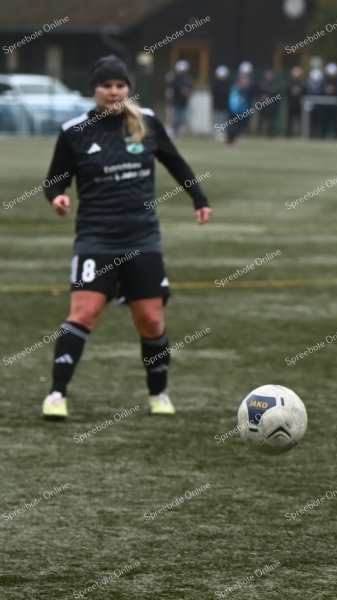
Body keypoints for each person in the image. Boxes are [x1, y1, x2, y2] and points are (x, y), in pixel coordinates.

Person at [41, 55, 212, 419]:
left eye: (120, 85)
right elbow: (55, 179)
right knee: (84, 312)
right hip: (96, 238)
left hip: (142, 238)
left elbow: (175, 161)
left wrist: (199, 198)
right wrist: (57, 197)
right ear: (94, 90)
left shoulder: (145, 122)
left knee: (151, 321)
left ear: (128, 88)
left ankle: (158, 394)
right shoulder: (75, 131)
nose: (114, 92)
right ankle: (56, 394)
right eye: (106, 86)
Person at [226, 71, 252, 146]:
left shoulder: (245, 90)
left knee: (240, 127)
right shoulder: (235, 89)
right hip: (235, 111)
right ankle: (230, 141)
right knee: (233, 127)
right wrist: (235, 110)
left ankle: (232, 140)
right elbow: (233, 101)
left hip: (242, 111)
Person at [169, 60, 193, 136]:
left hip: (184, 102)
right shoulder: (175, 79)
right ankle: (174, 131)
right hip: (176, 101)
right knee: (177, 118)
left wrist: (188, 91)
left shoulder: (188, 78)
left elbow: (190, 88)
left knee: (184, 118)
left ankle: (177, 130)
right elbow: (174, 90)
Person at [257, 69, 280, 138]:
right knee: (261, 120)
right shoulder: (261, 85)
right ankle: (258, 133)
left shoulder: (275, 85)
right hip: (262, 106)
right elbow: (258, 94)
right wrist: (261, 99)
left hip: (271, 106)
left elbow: (277, 96)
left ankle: (270, 134)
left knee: (271, 121)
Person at [286, 66, 305, 137]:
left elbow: (304, 91)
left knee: (301, 119)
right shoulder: (289, 82)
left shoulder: (302, 82)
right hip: (291, 103)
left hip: (300, 104)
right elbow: (286, 91)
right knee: (289, 120)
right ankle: (288, 134)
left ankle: (302, 134)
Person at [211, 65, 231, 136]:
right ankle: (217, 132)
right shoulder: (215, 84)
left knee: (224, 119)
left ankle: (223, 132)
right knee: (217, 119)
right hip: (217, 105)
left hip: (225, 105)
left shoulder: (228, 84)